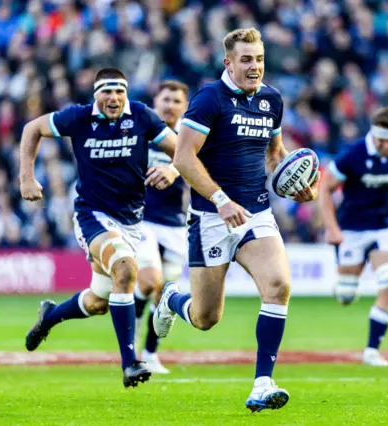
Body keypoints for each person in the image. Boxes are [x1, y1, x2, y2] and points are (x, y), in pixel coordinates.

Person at [152, 28, 319, 412]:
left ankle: (263, 383)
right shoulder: (209, 99)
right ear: (228, 62)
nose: (255, 66)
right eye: (246, 59)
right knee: (206, 317)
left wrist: (298, 184)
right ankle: (172, 299)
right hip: (211, 217)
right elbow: (182, 158)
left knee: (278, 285)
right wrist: (220, 199)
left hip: (256, 212)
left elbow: (275, 154)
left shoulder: (272, 100)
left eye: (259, 59)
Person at [20, 67, 178, 387]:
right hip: (92, 215)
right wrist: (26, 175)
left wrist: (174, 171)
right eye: (106, 91)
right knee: (125, 269)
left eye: (119, 91)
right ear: (96, 95)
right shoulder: (78, 118)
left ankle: (50, 316)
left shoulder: (142, 116)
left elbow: (182, 150)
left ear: (126, 93)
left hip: (131, 220)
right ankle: (131, 363)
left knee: (98, 302)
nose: (114, 98)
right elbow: (32, 128)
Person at [319, 106, 388, 367]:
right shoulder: (353, 155)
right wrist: (331, 227)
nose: (386, 145)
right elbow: (326, 189)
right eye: (382, 140)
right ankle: (345, 284)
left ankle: (372, 350)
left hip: (385, 227)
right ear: (373, 135)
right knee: (345, 295)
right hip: (352, 228)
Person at [133, 80, 190, 374]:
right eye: (165, 99)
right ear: (156, 102)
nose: (170, 105)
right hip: (142, 219)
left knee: (164, 293)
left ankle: (150, 354)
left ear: (184, 106)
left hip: (176, 224)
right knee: (147, 280)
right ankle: (131, 334)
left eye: (176, 101)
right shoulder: (143, 132)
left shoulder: (188, 138)